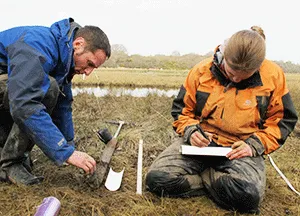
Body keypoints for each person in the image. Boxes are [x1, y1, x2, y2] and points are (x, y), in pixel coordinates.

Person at [145, 26, 298, 214]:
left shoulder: (273, 76)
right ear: (223, 55)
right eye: (231, 72)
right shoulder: (201, 70)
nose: (234, 79)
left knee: (248, 197)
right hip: (199, 144)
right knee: (156, 179)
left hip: (240, 150)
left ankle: (206, 177)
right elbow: (181, 111)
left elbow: (282, 121)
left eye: (243, 77)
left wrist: (254, 144)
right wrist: (191, 131)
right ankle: (217, 183)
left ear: (258, 67)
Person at [0, 18, 111, 185]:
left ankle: (9, 153)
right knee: (47, 88)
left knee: (50, 88)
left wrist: (69, 144)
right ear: (78, 44)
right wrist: (65, 153)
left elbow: (63, 104)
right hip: (14, 92)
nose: (88, 72)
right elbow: (24, 105)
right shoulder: (36, 46)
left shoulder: (63, 57)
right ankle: (10, 165)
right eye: (89, 64)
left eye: (93, 68)